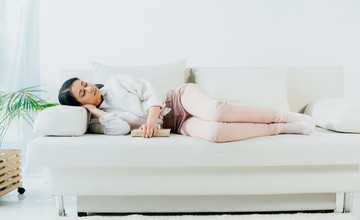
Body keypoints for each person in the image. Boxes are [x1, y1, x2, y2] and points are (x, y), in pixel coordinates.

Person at [58, 73, 315, 143]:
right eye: (83, 93)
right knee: (217, 133)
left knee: (216, 111)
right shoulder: (102, 121)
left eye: (85, 83)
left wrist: (150, 120)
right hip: (177, 126)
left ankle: (281, 115)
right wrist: (99, 114)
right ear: (81, 105)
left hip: (179, 99)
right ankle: (281, 128)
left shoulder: (114, 82)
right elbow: (122, 128)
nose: (89, 88)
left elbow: (150, 92)